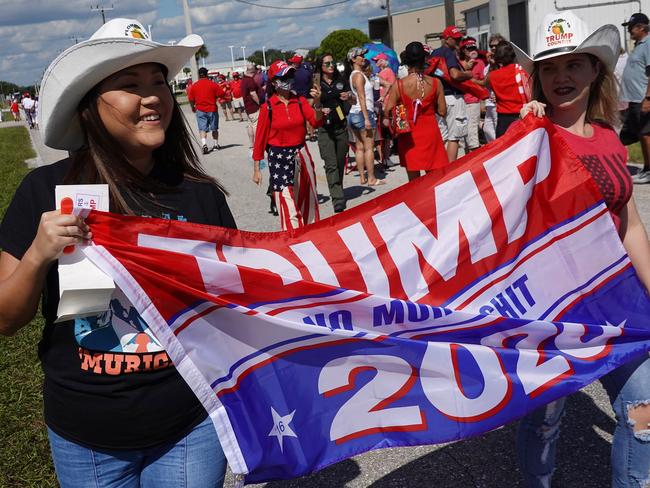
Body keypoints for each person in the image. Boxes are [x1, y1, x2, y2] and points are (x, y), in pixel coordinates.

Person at [0, 18, 236, 487]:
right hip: (87, 436)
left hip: (191, 423)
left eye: (159, 83)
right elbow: (5, 319)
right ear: (90, 105)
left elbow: (234, 299)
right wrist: (38, 254)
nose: (153, 98)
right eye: (130, 85)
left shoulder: (200, 195)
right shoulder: (43, 191)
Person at [513, 11, 650, 487]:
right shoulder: (529, 140)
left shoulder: (611, 140)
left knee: (644, 411)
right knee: (544, 422)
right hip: (553, 309)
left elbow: (629, 223)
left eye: (573, 64)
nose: (561, 77)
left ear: (596, 70)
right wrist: (521, 133)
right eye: (550, 68)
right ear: (537, 78)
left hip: (618, 300)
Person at [252, 60, 323, 230]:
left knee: (306, 200)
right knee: (288, 203)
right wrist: (256, 169)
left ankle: (311, 235)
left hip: (300, 154)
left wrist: (318, 103)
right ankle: (294, 238)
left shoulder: (300, 101)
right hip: (279, 158)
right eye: (285, 76)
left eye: (291, 75)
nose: (290, 78)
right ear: (274, 82)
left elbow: (316, 122)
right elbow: (260, 140)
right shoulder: (267, 107)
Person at [384, 41, 448, 181]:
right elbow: (443, 111)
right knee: (434, 180)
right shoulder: (436, 83)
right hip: (430, 132)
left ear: (406, 60)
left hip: (409, 134)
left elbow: (388, 110)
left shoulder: (399, 85)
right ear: (425, 59)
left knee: (414, 183)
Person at [431, 25, 474, 161]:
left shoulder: (434, 53)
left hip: (438, 98)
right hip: (453, 98)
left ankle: (441, 169)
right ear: (447, 39)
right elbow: (454, 75)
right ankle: (450, 172)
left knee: (442, 136)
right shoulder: (448, 53)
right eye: (456, 39)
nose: (458, 42)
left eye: (459, 39)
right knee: (454, 137)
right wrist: (468, 74)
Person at [315, 52, 351, 213]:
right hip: (324, 129)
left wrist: (349, 96)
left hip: (341, 125)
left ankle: (338, 189)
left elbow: (353, 100)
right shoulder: (316, 83)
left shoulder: (341, 79)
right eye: (327, 63)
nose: (331, 66)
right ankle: (338, 198)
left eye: (332, 62)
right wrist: (319, 108)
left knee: (338, 162)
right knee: (330, 165)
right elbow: (309, 104)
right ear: (321, 66)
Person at [620, 13, 650, 183]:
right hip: (634, 99)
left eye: (631, 27)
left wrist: (648, 98)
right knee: (637, 134)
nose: (629, 31)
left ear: (641, 27)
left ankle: (648, 170)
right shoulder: (638, 46)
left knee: (646, 134)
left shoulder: (648, 44)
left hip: (642, 98)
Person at [347, 47, 384, 186]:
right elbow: (361, 97)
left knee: (360, 147)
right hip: (363, 113)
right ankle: (371, 178)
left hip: (354, 113)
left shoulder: (354, 75)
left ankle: (363, 177)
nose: (363, 57)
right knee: (369, 147)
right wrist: (367, 118)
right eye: (360, 55)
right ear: (353, 59)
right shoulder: (358, 75)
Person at [486, 41, 530, 137]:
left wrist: (493, 65)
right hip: (522, 114)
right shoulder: (521, 70)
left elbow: (483, 83)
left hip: (503, 119)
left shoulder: (492, 76)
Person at [188, 66, 225, 154]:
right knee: (214, 128)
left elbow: (191, 99)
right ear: (206, 74)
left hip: (200, 109)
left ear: (199, 75)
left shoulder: (194, 86)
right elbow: (222, 94)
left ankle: (204, 144)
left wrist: (193, 107)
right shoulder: (213, 84)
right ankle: (215, 145)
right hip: (212, 109)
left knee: (202, 129)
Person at [460, 37, 485, 152]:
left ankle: (475, 158)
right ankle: (466, 160)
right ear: (464, 51)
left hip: (473, 101)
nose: (472, 51)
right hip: (460, 101)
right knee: (462, 135)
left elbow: (483, 83)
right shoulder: (458, 62)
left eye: (474, 48)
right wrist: (466, 68)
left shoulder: (480, 63)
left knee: (472, 133)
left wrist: (482, 102)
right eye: (469, 49)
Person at [373, 52, 397, 166]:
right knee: (383, 131)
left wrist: (383, 96)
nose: (375, 62)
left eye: (377, 60)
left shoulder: (387, 71)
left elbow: (391, 85)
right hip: (381, 104)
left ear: (383, 61)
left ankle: (386, 157)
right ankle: (384, 157)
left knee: (386, 131)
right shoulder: (380, 72)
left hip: (386, 104)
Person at [483, 33, 506, 142]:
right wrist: (491, 65)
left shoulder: (504, 64)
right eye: (491, 46)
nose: (493, 48)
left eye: (496, 46)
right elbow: (486, 83)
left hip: (499, 104)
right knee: (487, 130)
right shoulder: (489, 66)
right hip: (489, 103)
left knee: (499, 134)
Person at [290, 54, 317, 143]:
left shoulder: (291, 73)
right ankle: (312, 135)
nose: (292, 63)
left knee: (299, 117)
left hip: (296, 98)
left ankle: (303, 134)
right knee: (309, 116)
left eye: (293, 62)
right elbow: (312, 84)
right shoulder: (307, 72)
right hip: (308, 97)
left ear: (296, 63)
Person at [241, 63, 264, 149]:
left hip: (247, 106)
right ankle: (257, 143)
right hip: (253, 106)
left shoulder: (243, 79)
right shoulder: (250, 80)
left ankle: (252, 144)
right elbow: (253, 94)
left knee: (250, 125)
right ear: (253, 71)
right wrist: (259, 104)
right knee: (255, 125)